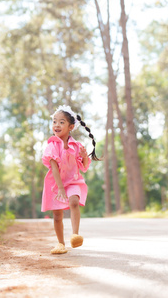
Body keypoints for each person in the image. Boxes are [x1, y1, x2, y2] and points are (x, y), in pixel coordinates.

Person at [41, 105, 100, 254]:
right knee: (57, 215)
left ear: (71, 126)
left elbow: (84, 166)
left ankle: (75, 235)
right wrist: (60, 188)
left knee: (74, 202)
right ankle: (60, 243)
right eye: (54, 121)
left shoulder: (76, 146)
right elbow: (54, 168)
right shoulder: (52, 145)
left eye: (61, 122)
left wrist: (85, 156)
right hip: (56, 184)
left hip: (73, 181)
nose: (56, 125)